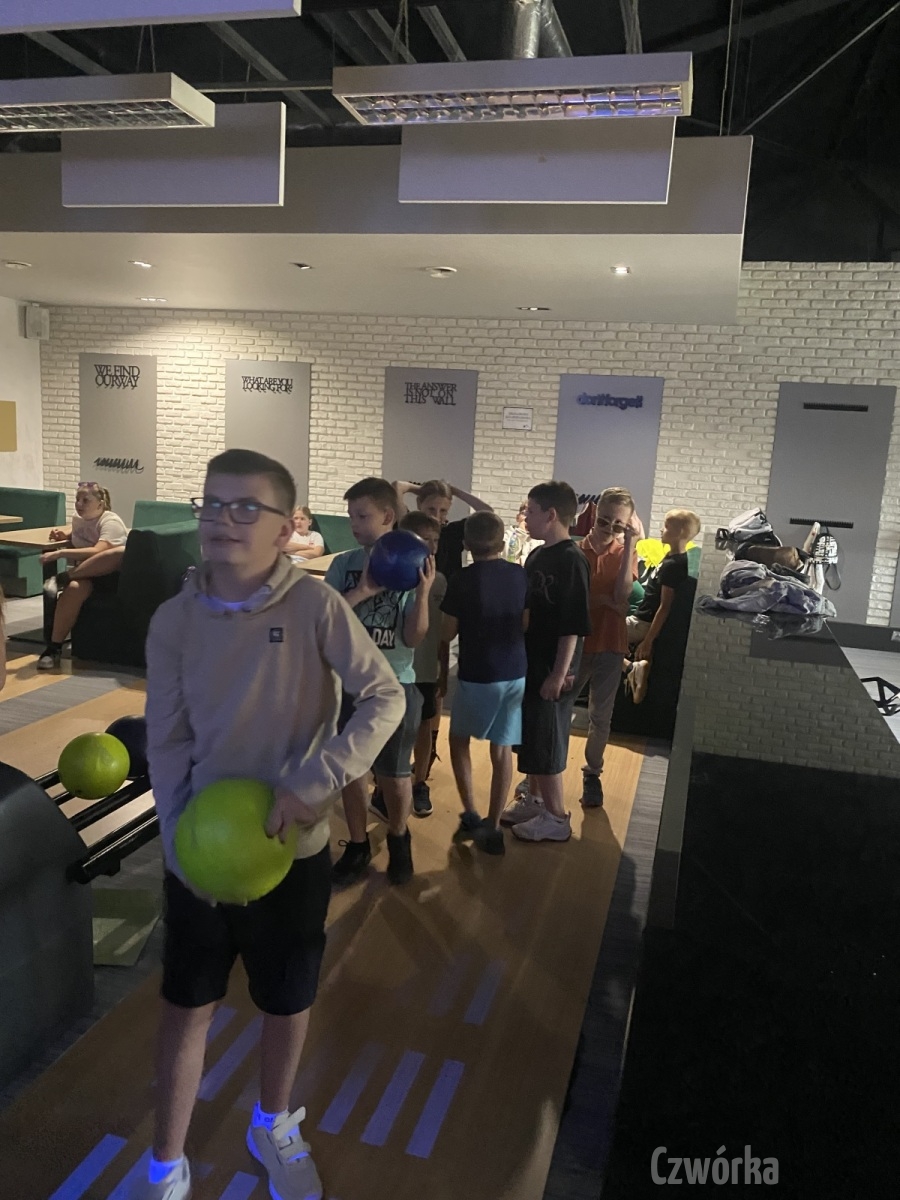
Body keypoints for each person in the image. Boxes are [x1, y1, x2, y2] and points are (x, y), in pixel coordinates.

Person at [140, 449, 405, 1200]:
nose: (222, 520)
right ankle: (166, 1162)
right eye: (211, 504)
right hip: (198, 850)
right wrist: (176, 842)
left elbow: (384, 697)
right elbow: (168, 740)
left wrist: (316, 782)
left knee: (286, 1000)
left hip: (295, 850)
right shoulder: (173, 621)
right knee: (186, 1006)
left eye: (245, 507)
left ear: (287, 527)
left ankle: (272, 1123)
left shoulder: (316, 607)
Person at [325, 477, 435, 887]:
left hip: (394, 685)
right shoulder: (344, 565)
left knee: (394, 774)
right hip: (348, 683)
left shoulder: (413, 564)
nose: (354, 524)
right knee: (351, 771)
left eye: (362, 516)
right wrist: (363, 590)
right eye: (351, 516)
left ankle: (399, 837)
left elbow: (414, 638)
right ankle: (357, 845)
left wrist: (422, 595)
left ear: (388, 516)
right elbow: (324, 620)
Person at [500, 481, 591, 843]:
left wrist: (559, 673)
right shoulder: (538, 554)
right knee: (533, 735)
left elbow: (573, 626)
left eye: (531, 510)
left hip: (554, 666)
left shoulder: (572, 559)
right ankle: (536, 800)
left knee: (547, 737)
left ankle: (557, 817)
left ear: (551, 515)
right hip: (531, 660)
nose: (525, 516)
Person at [441, 511, 528, 855]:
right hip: (514, 670)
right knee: (501, 749)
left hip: (477, 672)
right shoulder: (520, 575)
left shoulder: (461, 579)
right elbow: (525, 622)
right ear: (502, 542)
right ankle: (493, 825)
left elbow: (448, 632)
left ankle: (470, 813)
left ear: (466, 544)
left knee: (458, 740)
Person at [573, 488, 639, 808]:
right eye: (604, 521)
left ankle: (592, 774)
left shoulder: (625, 552)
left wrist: (630, 545)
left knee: (601, 715)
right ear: (594, 516)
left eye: (618, 525)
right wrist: (602, 601)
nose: (610, 529)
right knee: (559, 708)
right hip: (578, 643)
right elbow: (575, 601)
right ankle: (539, 773)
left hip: (611, 642)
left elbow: (623, 595)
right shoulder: (576, 551)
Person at [37, 482, 129, 671]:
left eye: (85, 500)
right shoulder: (78, 519)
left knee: (116, 553)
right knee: (74, 589)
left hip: (111, 576)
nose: (79, 504)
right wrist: (64, 535)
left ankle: (62, 578)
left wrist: (60, 553)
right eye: (77, 499)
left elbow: (97, 551)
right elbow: (79, 532)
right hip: (86, 574)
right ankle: (53, 648)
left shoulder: (111, 521)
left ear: (100, 504)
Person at [398, 510, 447, 818]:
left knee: (424, 726)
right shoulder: (393, 579)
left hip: (427, 670)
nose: (431, 546)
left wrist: (443, 670)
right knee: (396, 728)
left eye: (435, 540)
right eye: (424, 540)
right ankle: (392, 780)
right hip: (399, 670)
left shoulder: (440, 581)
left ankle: (419, 782)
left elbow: (442, 634)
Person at [627, 508, 702, 660]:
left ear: (680, 532)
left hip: (643, 623)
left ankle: (629, 668)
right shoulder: (670, 558)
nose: (662, 530)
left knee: (599, 634)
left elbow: (665, 606)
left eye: (666, 526)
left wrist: (648, 641)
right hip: (641, 618)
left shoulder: (674, 565)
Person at [393, 478, 493, 582]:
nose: (436, 516)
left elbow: (488, 513)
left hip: (448, 590)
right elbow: (398, 486)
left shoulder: (452, 532)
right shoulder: (411, 526)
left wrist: (455, 491)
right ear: (419, 503)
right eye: (431, 509)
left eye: (443, 511)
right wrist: (420, 489)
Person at [504, 500, 543, 567]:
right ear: (517, 517)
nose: (527, 518)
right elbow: (508, 556)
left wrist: (521, 561)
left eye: (531, 514)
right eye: (524, 513)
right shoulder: (508, 535)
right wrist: (520, 533)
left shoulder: (540, 539)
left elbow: (537, 560)